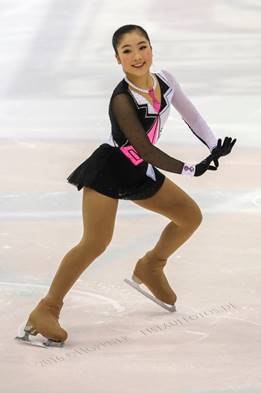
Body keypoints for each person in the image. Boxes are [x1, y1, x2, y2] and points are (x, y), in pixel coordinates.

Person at [16, 24, 236, 347]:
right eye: (127, 50)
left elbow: (192, 115)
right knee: (95, 242)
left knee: (190, 216)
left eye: (142, 46)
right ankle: (45, 310)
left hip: (139, 172)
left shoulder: (165, 82)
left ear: (152, 49)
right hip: (109, 171)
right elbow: (144, 148)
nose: (137, 55)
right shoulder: (121, 99)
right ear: (117, 59)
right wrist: (190, 168)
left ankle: (151, 266)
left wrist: (214, 146)